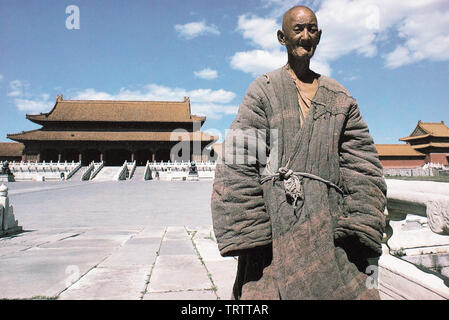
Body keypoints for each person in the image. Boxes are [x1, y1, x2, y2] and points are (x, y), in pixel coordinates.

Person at [211, 5, 387, 300]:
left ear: (319, 36)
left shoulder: (339, 98)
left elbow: (363, 165)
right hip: (275, 234)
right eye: (298, 30)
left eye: (312, 29)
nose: (306, 36)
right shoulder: (264, 90)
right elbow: (240, 160)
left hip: (328, 228)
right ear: (282, 37)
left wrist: (356, 223)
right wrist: (254, 231)